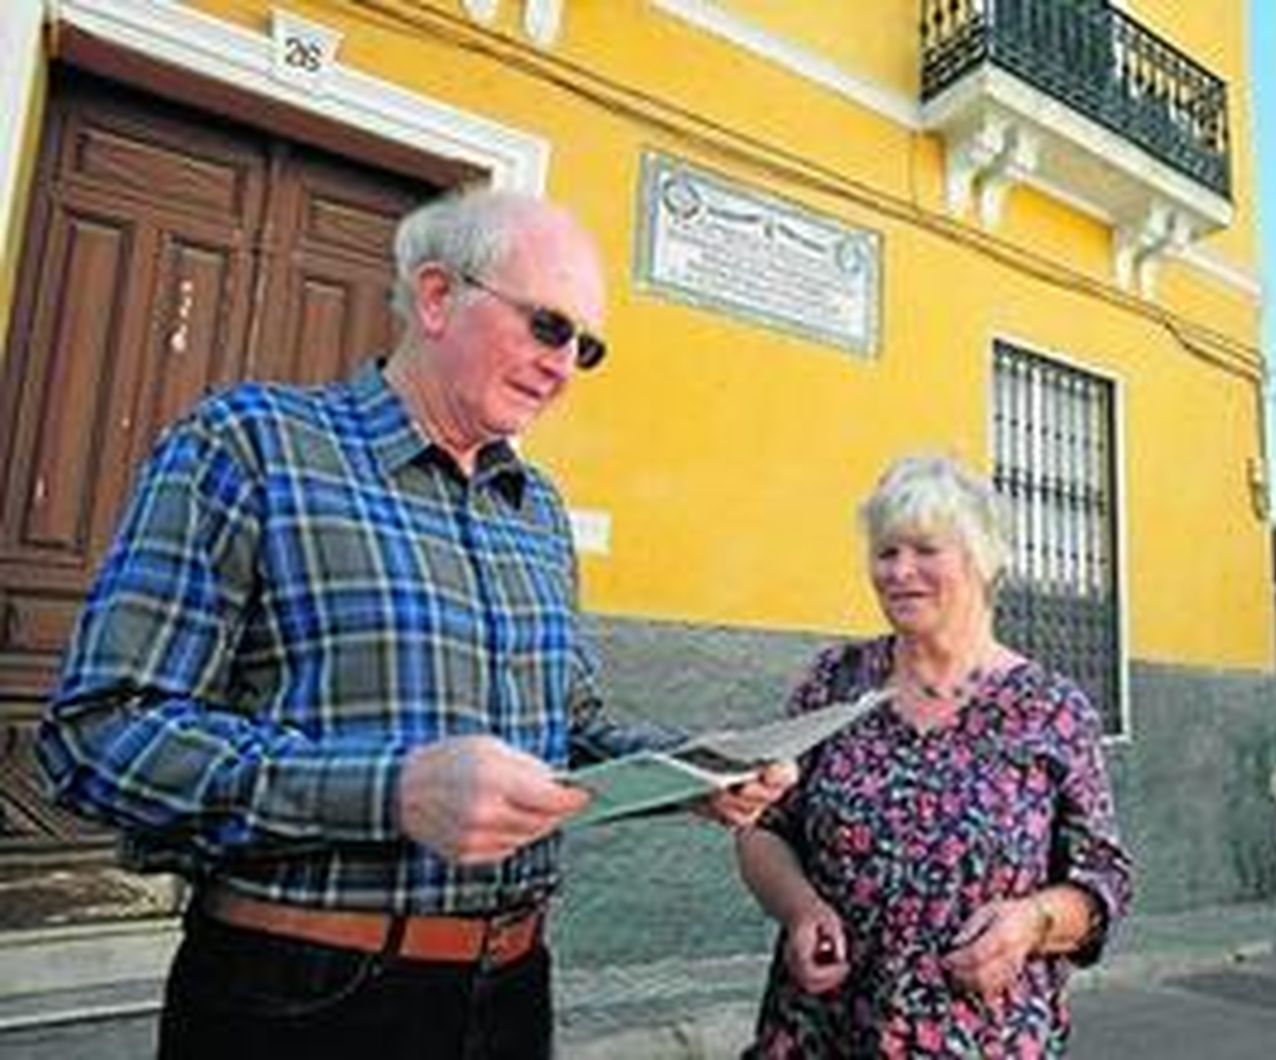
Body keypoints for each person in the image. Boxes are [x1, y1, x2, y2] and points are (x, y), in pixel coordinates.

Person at [36, 188, 793, 1060]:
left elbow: (570, 728)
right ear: (437, 297)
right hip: (301, 995)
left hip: (511, 991)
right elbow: (98, 736)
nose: (564, 367)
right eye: (548, 326)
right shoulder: (249, 446)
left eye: (586, 347)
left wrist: (693, 771)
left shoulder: (534, 509)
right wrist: (391, 789)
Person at [737, 455, 1133, 1057]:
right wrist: (800, 909)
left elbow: (1102, 878)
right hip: (823, 1031)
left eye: (925, 550)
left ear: (981, 558)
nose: (899, 571)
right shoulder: (834, 681)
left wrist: (1033, 923)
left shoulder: (1052, 708)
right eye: (886, 552)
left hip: (983, 1038)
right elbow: (765, 827)